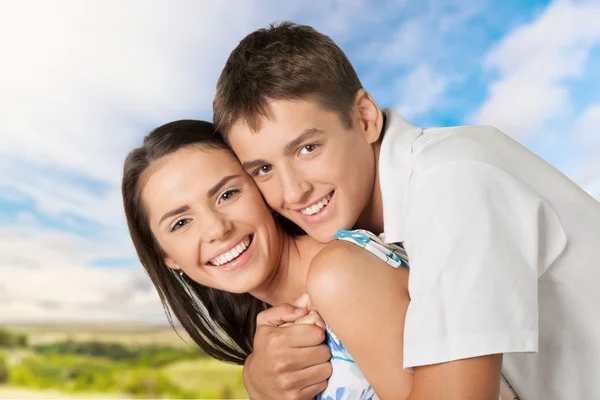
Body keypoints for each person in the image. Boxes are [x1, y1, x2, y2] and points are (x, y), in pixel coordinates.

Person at [213, 22, 600, 399]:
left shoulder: (450, 183)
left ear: (365, 117)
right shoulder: (372, 233)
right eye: (264, 169)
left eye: (308, 148)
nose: (293, 191)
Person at [121, 120, 415, 399]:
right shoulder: (273, 336)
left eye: (228, 194)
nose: (217, 229)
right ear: (167, 257)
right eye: (181, 223)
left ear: (263, 189)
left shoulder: (340, 275)